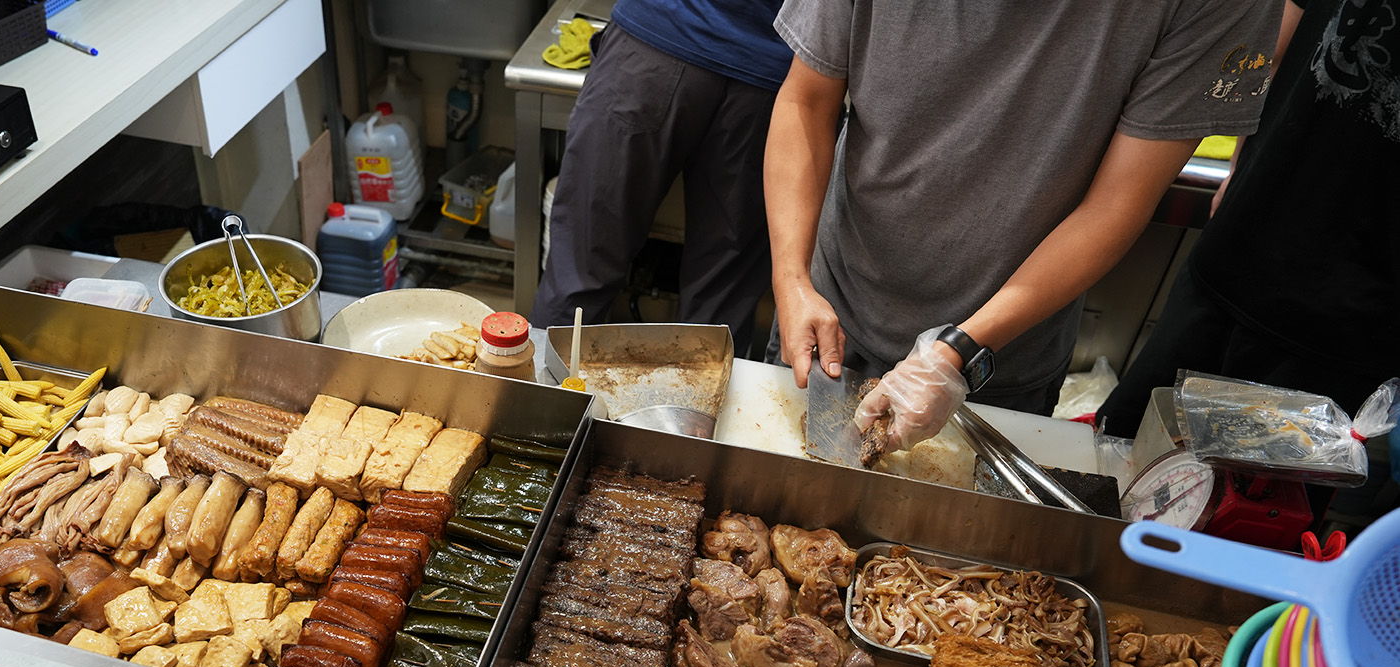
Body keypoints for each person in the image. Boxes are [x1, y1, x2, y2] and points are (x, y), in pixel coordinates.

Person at [765, 0, 1284, 455]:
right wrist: (792, 280)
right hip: (831, 311)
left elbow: (1117, 205)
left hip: (999, 359)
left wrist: (956, 354)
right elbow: (806, 100)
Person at [1097, 0, 1400, 439]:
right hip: (1235, 254)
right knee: (1123, 454)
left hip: (1352, 326)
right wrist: (1239, 167)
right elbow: (1268, 44)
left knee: (1254, 500)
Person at [531, 0, 795, 355]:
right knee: (719, 307)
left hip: (655, 46)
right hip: (767, 71)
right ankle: (695, 411)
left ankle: (547, 405)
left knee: (581, 271)